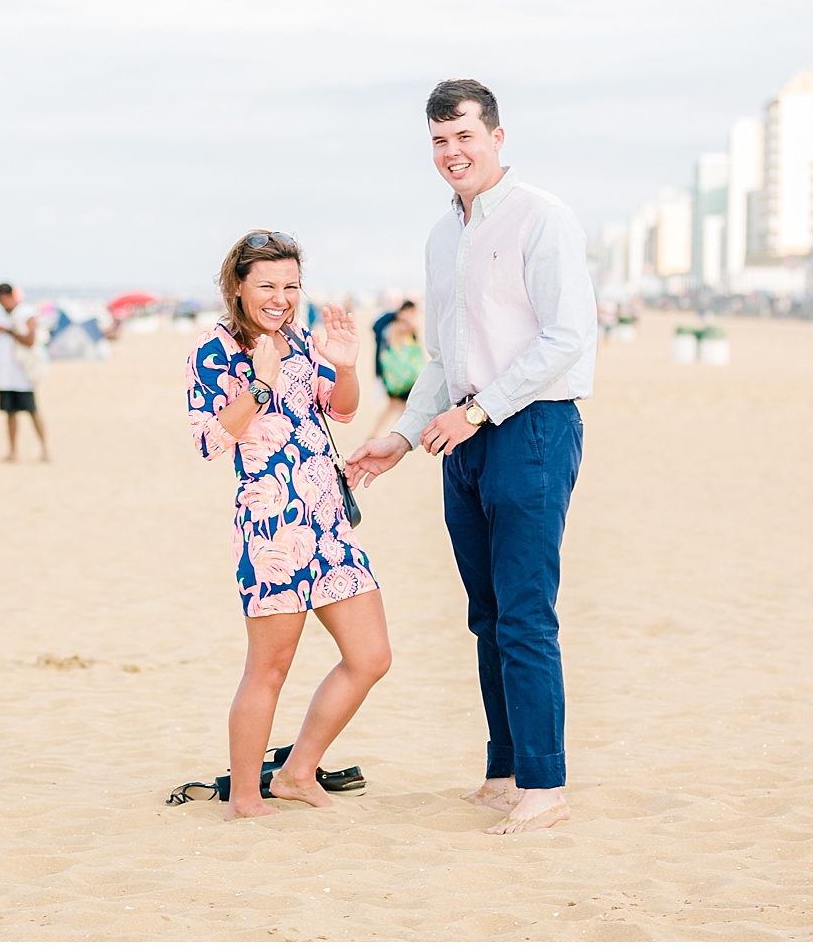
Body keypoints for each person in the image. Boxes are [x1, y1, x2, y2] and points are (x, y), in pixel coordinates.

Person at [345, 80, 598, 835]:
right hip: (462, 433)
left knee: (525, 615)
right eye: (438, 141)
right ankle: (504, 768)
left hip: (533, 429)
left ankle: (545, 785)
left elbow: (565, 338)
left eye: (464, 136)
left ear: (496, 135)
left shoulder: (542, 217)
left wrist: (479, 408)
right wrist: (400, 436)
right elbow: (442, 354)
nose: (451, 153)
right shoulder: (440, 235)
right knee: (485, 616)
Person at [186, 230, 391, 821]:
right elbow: (209, 441)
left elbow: (342, 408)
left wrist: (346, 366)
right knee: (270, 669)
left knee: (371, 656)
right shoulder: (214, 349)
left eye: (291, 285)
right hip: (271, 529)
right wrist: (260, 379)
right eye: (268, 285)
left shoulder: (301, 338)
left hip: (328, 522)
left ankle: (298, 771)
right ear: (238, 286)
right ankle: (247, 798)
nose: (281, 297)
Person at [0, 282, 50, 462]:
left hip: (22, 373)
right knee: (10, 413)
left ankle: (45, 449)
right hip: (4, 374)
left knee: (32, 410)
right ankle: (13, 451)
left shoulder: (25, 313)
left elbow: (30, 340)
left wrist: (6, 330)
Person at [367, 300, 425, 442]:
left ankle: (381, 434)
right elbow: (414, 329)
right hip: (400, 376)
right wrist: (404, 318)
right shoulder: (398, 327)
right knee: (398, 406)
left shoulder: (390, 326)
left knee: (395, 406)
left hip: (395, 375)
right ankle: (401, 434)